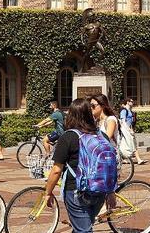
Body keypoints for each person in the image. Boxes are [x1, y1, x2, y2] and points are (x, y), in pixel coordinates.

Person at [44, 98, 108, 233]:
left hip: (76, 191)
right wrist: (111, 192)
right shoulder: (101, 135)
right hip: (99, 190)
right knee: (82, 226)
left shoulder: (68, 137)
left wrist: (48, 192)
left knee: (83, 230)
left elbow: (56, 170)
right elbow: (108, 165)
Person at [120, 99, 147, 165]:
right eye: (131, 101)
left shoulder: (130, 111)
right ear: (127, 102)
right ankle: (138, 159)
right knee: (131, 143)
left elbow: (131, 122)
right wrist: (129, 130)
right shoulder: (124, 110)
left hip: (129, 129)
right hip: (125, 130)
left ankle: (124, 159)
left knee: (131, 143)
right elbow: (123, 121)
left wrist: (132, 129)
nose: (133, 102)